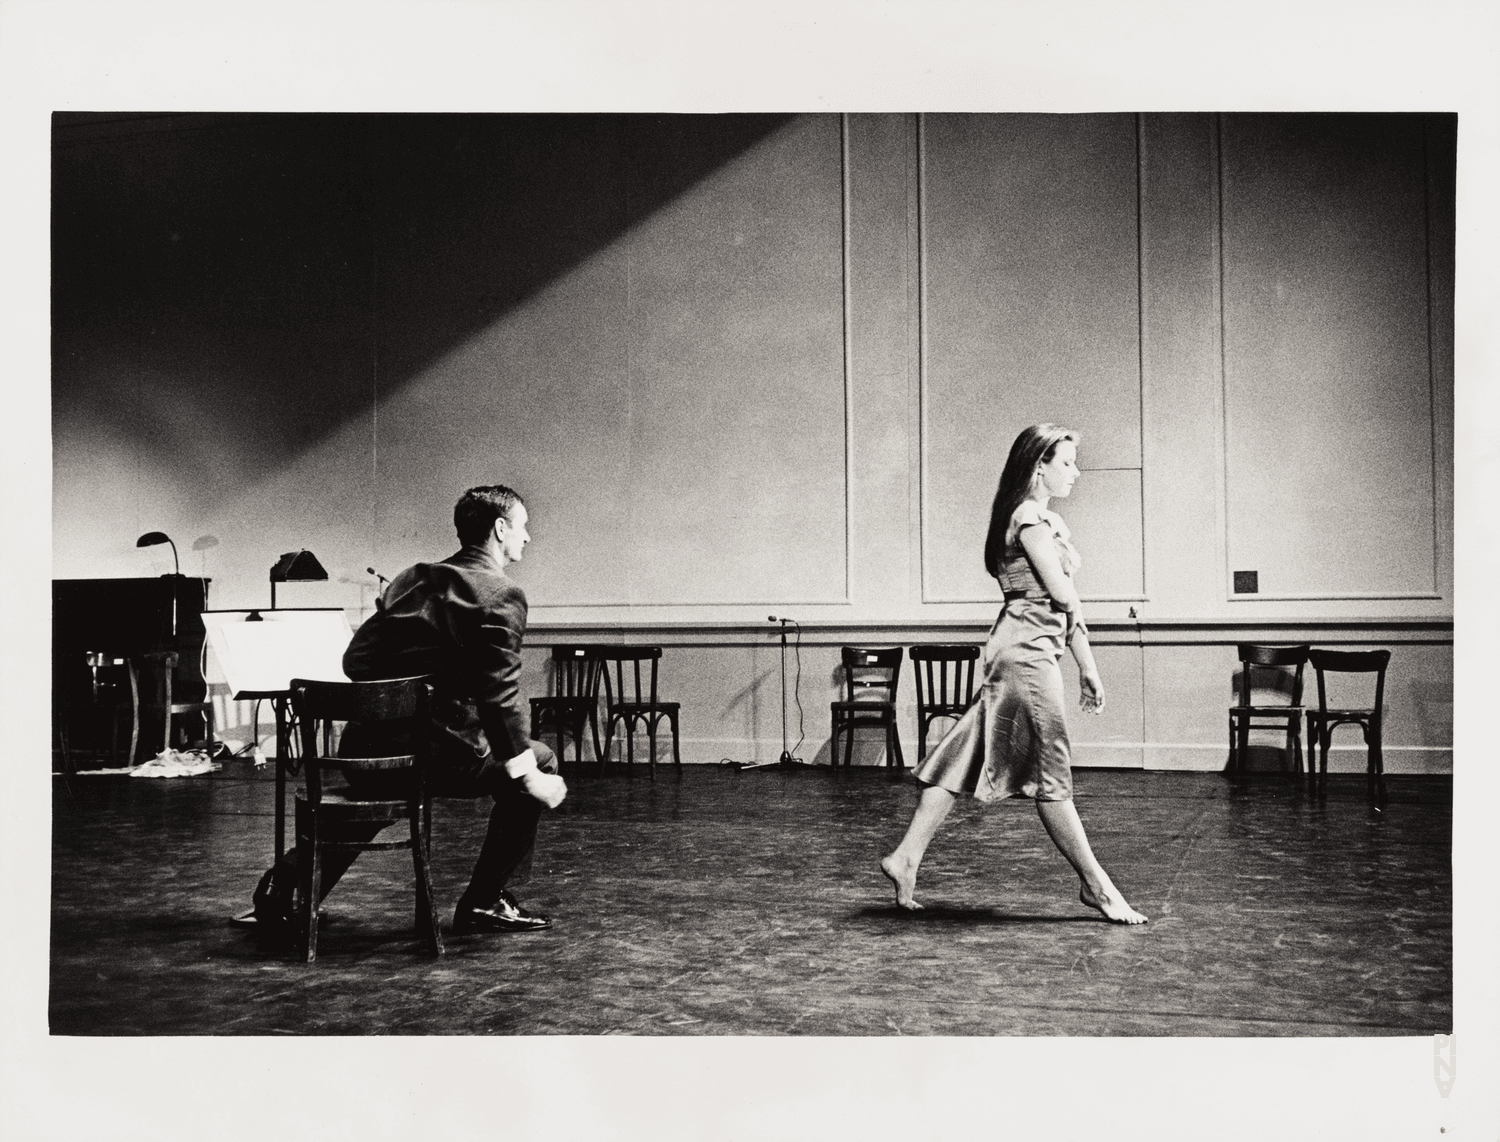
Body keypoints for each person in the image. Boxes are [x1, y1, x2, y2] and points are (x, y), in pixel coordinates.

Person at [248, 484, 568, 936]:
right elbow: (499, 696)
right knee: (542, 759)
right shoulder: (501, 594)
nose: (528, 536)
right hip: (435, 756)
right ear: (500, 529)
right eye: (523, 526)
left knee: (386, 790)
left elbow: (356, 661)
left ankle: (284, 886)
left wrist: (416, 682)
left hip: (365, 751)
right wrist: (529, 774)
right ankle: (485, 900)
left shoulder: (414, 579)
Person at [880, 424, 1147, 925]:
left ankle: (906, 857)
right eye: (1066, 462)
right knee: (1052, 770)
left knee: (964, 753)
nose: (1076, 472)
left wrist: (1088, 666)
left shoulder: (1045, 521)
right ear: (1038, 466)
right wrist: (1081, 642)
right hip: (1025, 653)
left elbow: (1066, 606)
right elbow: (1062, 595)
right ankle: (1097, 886)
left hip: (1029, 647)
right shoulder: (1027, 517)